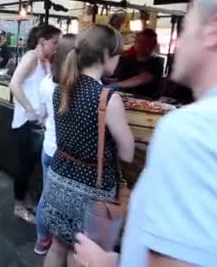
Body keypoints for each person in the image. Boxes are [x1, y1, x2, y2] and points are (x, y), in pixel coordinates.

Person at [74, 0, 217, 267]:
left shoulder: (198, 130)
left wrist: (107, 264)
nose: (177, 43)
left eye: (187, 27)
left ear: (216, 29)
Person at [42, 24, 135, 267]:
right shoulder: (107, 98)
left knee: (57, 246)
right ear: (105, 54)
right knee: (81, 254)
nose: (119, 59)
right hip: (90, 192)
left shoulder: (60, 88)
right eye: (118, 53)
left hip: (57, 179)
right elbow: (127, 154)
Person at [9, 24, 61, 224]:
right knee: (24, 166)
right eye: (54, 42)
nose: (56, 46)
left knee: (31, 166)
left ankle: (26, 199)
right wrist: (30, 110)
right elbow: (14, 83)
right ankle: (18, 205)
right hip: (26, 122)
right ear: (42, 41)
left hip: (39, 123)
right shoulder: (31, 57)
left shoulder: (46, 61)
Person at [34, 33, 76, 256]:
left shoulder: (47, 82)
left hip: (48, 147)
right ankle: (61, 243)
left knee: (46, 196)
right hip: (67, 153)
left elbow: (42, 113)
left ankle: (42, 240)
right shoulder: (78, 85)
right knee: (65, 203)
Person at [109, 28, 164, 99]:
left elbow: (141, 79)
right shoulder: (126, 60)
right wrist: (107, 81)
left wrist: (116, 85)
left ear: (153, 46)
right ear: (135, 43)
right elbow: (121, 79)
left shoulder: (156, 63)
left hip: (147, 102)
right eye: (140, 42)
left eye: (147, 43)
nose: (142, 46)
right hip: (124, 98)